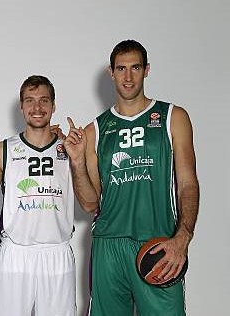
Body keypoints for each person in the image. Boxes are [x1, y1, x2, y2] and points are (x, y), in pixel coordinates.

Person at [64, 40, 200, 315]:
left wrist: (183, 238)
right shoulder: (95, 130)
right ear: (111, 73)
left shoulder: (172, 117)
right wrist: (77, 161)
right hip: (109, 246)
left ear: (147, 70)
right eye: (121, 69)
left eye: (135, 68)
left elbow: (188, 183)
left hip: (158, 242)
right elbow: (90, 204)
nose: (128, 77)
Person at [0, 75, 77, 316]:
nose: (37, 107)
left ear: (54, 105)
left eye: (44, 100)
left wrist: (79, 159)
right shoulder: (4, 150)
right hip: (15, 255)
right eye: (29, 100)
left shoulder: (70, 149)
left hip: (57, 253)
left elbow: (90, 199)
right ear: (21, 106)